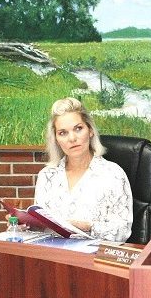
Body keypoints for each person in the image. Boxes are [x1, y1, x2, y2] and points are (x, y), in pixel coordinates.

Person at [33, 97, 133, 242]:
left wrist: (88, 226)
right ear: (55, 139)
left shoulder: (113, 174)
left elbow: (123, 231)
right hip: (54, 257)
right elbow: (42, 226)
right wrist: (27, 224)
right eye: (63, 133)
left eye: (78, 129)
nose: (72, 138)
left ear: (90, 130)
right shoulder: (47, 176)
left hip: (95, 259)